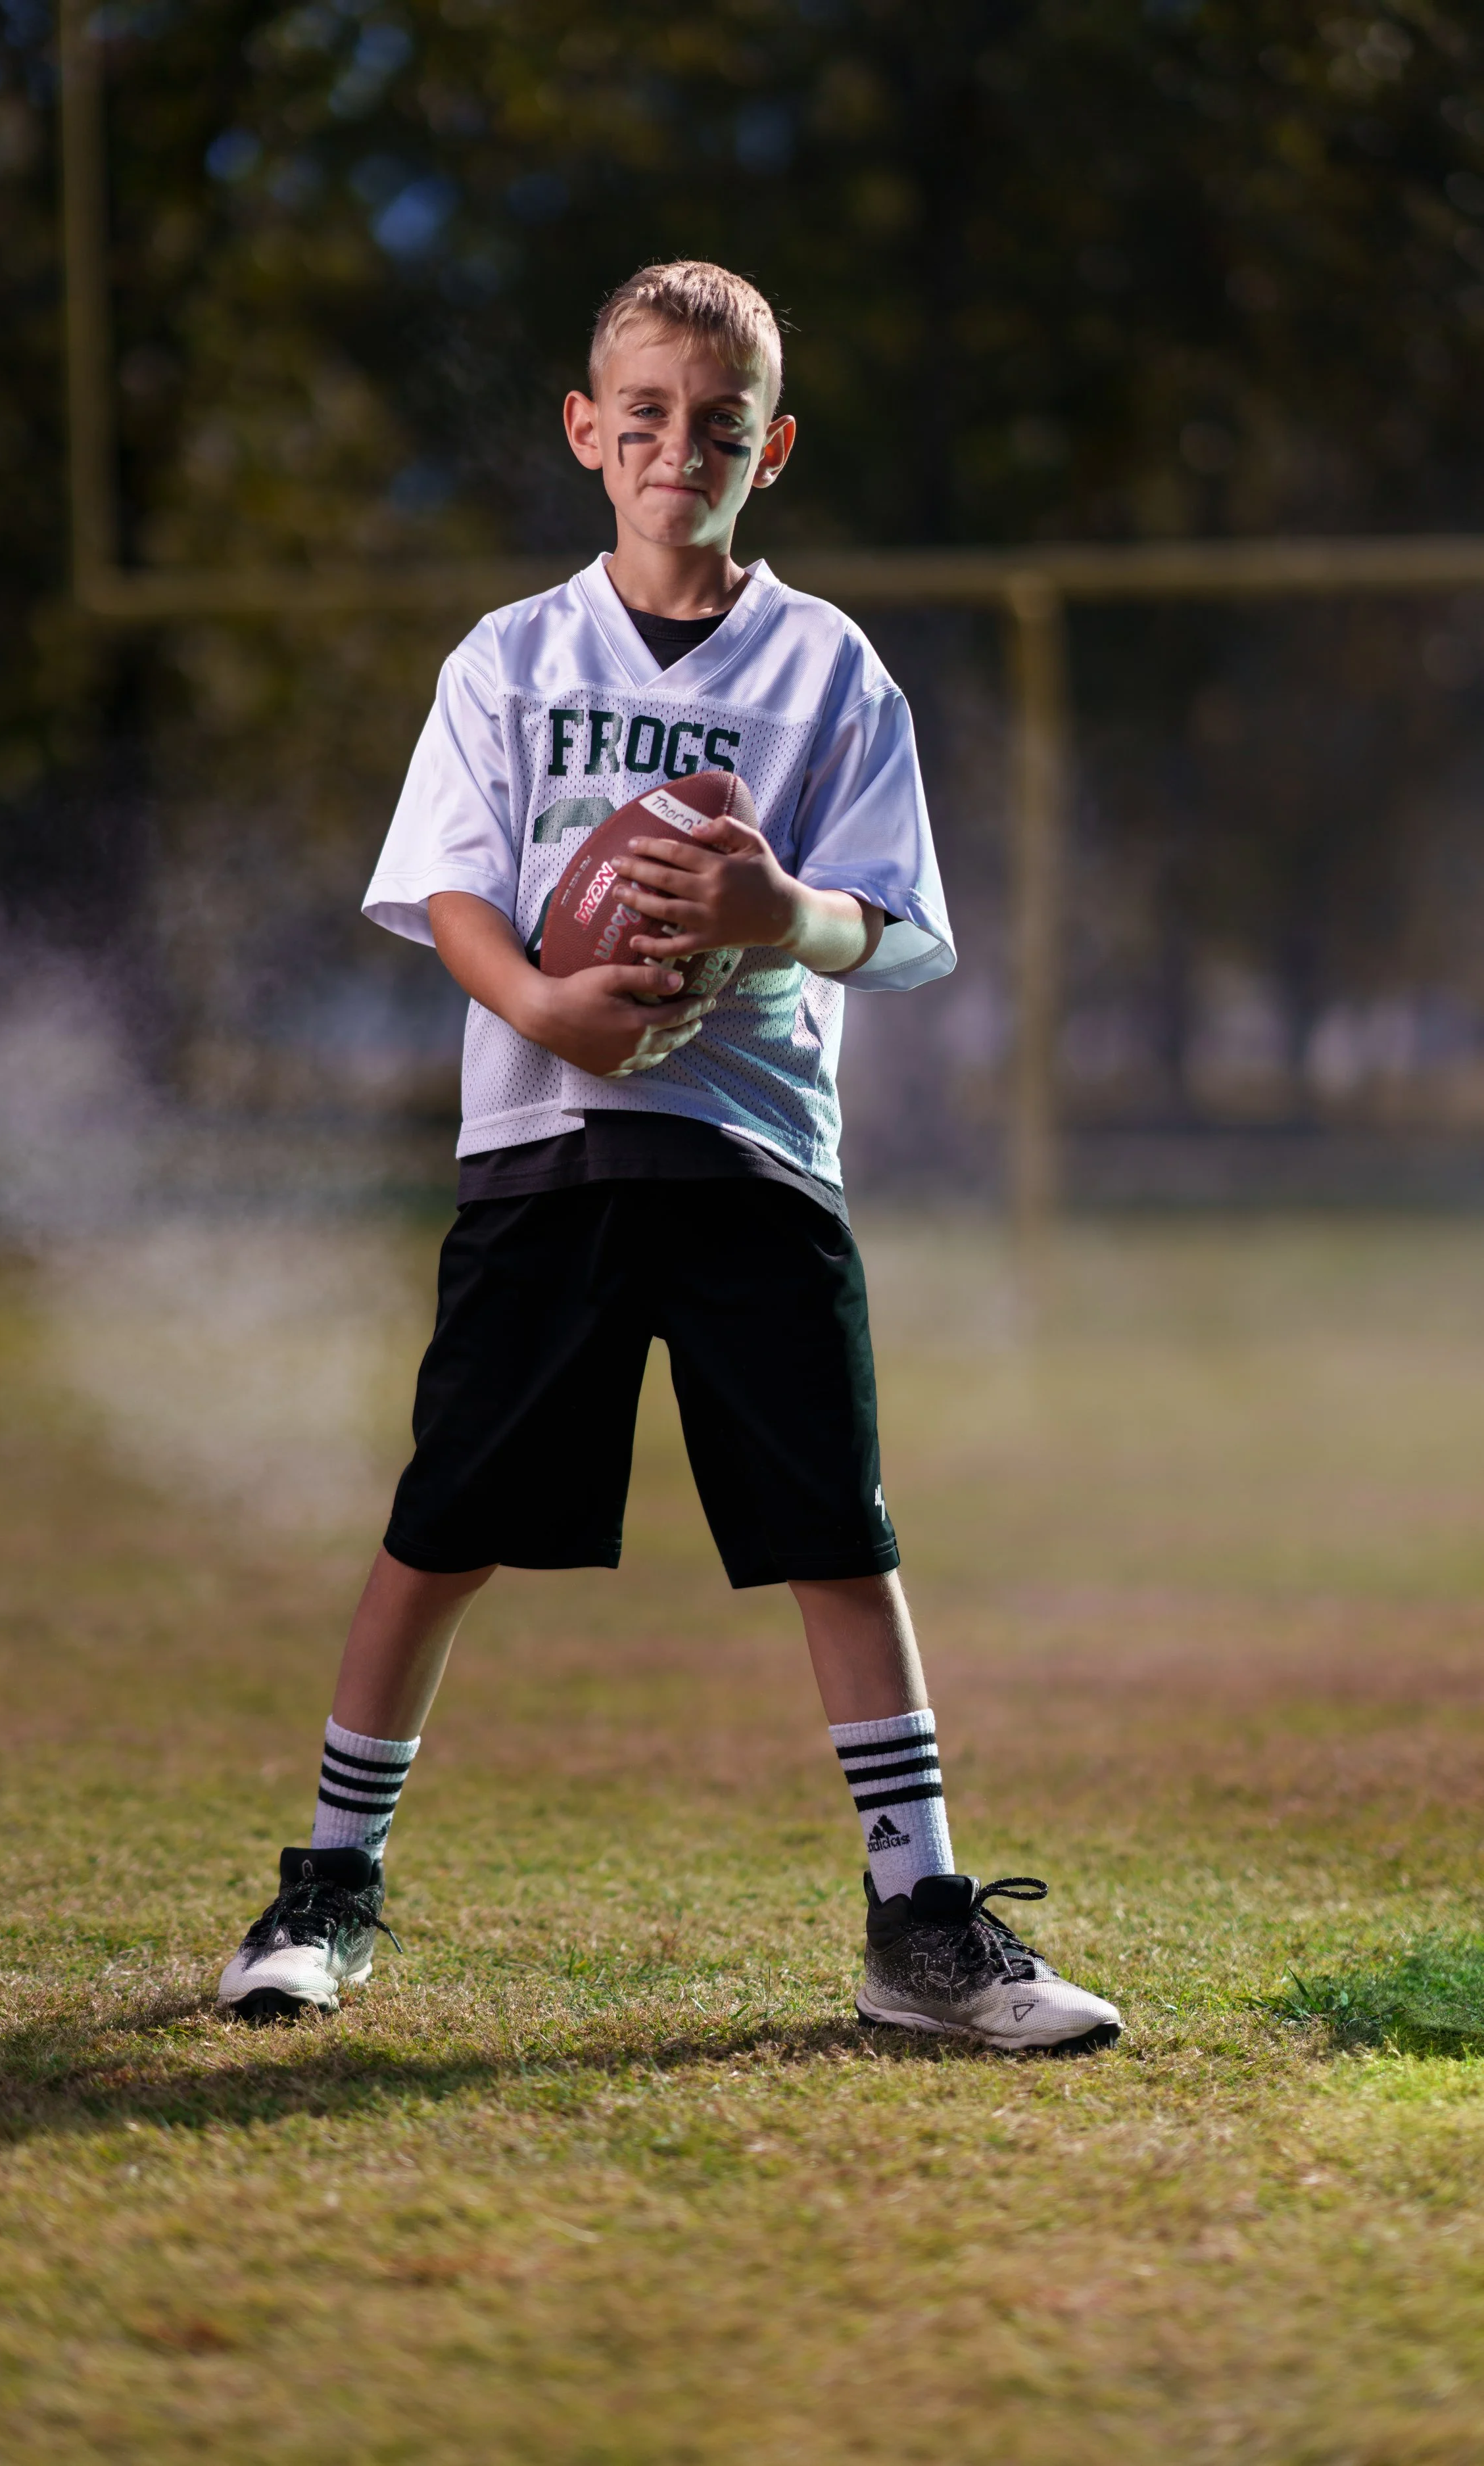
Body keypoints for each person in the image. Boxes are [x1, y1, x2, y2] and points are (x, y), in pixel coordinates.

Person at [216, 260, 1120, 2054]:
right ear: (584, 432)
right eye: (640, 416)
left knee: (833, 1538)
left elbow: (896, 927)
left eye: (715, 424)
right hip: (546, 1152)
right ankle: (326, 1881)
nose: (673, 448)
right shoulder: (512, 656)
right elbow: (452, 893)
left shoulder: (824, 665)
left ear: (767, 450)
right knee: (443, 1525)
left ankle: (915, 1921)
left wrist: (774, 906)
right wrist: (549, 1012)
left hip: (752, 1159)